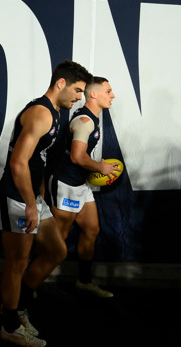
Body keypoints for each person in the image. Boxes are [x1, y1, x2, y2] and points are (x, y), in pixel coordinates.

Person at [0, 60, 92, 347]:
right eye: (77, 90)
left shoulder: (57, 112)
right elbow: (18, 162)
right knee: (17, 264)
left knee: (57, 250)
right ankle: (9, 325)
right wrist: (29, 203)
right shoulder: (41, 113)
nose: (79, 97)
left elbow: (37, 160)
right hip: (16, 197)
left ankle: (17, 306)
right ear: (60, 83)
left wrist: (38, 197)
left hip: (31, 196)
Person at [46, 76, 118, 298]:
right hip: (65, 184)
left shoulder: (91, 119)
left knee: (92, 229)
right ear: (93, 94)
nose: (112, 95)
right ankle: (31, 282)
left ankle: (84, 281)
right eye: (108, 91)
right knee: (58, 239)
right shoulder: (85, 122)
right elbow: (77, 157)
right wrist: (101, 167)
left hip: (81, 184)